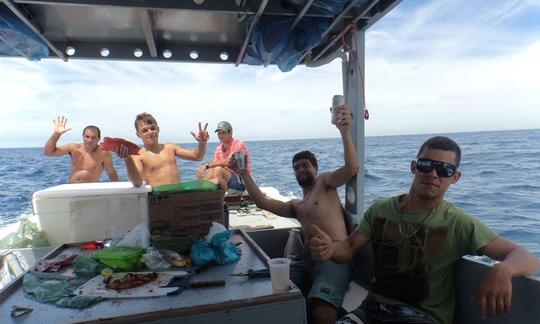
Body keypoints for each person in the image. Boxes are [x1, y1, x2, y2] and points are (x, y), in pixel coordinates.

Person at [310, 136, 540, 324]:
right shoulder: (381, 208)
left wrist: (503, 270)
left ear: (455, 177)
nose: (433, 174)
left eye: (444, 170)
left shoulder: (458, 222)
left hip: (421, 317)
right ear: (414, 167)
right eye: (426, 165)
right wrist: (330, 249)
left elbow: (526, 257)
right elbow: (348, 248)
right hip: (371, 309)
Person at [231, 106, 359, 324]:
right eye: (296, 168)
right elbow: (263, 202)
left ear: (315, 168)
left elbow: (351, 168)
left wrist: (344, 130)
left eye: (305, 166)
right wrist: (244, 174)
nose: (301, 170)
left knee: (321, 309)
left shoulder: (326, 182)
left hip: (334, 254)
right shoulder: (296, 204)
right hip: (306, 259)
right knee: (277, 295)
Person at [114, 112, 209, 188]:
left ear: (158, 129)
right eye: (145, 130)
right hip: (159, 201)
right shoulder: (137, 155)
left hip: (179, 196)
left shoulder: (170, 147)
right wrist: (127, 159)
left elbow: (197, 156)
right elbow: (137, 182)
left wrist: (202, 143)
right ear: (138, 134)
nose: (150, 132)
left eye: (152, 128)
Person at [44, 116, 119, 183]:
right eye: (87, 137)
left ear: (98, 139)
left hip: (90, 191)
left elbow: (111, 172)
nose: (89, 140)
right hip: (72, 189)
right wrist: (57, 134)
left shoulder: (103, 153)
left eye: (93, 137)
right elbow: (48, 152)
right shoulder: (73, 148)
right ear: (83, 136)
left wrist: (117, 191)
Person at [196, 121, 251, 193]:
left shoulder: (239, 144)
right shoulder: (219, 148)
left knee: (218, 169)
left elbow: (229, 161)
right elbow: (214, 167)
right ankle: (199, 193)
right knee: (209, 174)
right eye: (219, 133)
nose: (221, 135)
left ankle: (215, 197)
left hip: (242, 182)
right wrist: (203, 176)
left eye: (223, 133)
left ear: (230, 132)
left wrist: (206, 166)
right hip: (227, 180)